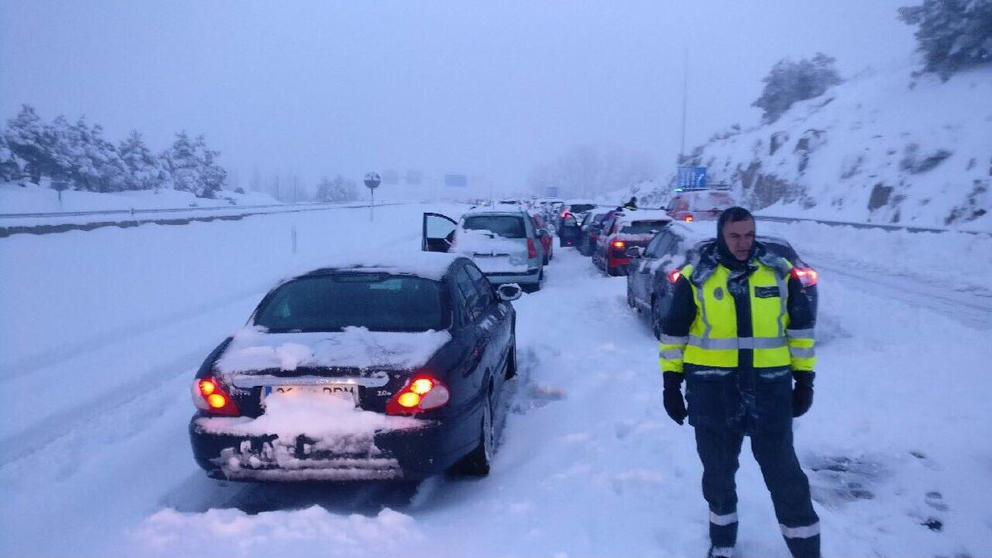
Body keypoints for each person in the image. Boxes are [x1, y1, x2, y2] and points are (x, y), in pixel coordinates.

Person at [659, 206, 819, 558]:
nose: (743, 242)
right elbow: (673, 335)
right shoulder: (696, 277)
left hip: (770, 390)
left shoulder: (780, 274)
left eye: (749, 234)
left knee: (786, 477)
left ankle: (807, 550)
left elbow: (801, 332)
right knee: (718, 476)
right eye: (735, 236)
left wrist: (804, 379)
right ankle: (723, 543)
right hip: (712, 391)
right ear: (721, 235)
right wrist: (671, 384)